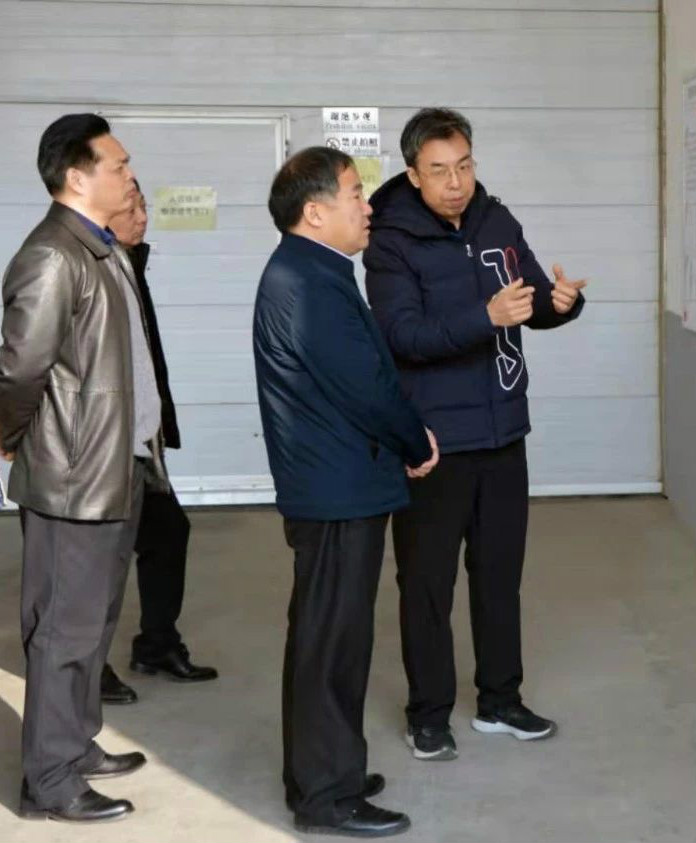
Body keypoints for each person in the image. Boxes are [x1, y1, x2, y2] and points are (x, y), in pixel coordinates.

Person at [364, 107, 586, 761]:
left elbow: (530, 299)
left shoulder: (496, 220)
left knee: (499, 576)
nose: (456, 182)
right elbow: (402, 336)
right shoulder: (390, 241)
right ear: (413, 173)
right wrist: (484, 316)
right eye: (439, 171)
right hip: (434, 444)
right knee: (427, 585)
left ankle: (500, 700)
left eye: (464, 166)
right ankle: (428, 713)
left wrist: (561, 304)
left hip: (503, 431)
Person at [253, 146, 438, 837]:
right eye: (356, 194)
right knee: (331, 644)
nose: (368, 207)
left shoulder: (316, 271)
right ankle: (326, 795)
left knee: (330, 637)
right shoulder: (307, 283)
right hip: (335, 490)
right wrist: (415, 442)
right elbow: (365, 386)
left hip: (339, 482)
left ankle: (323, 772)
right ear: (314, 211)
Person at [0, 113, 165, 821]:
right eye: (118, 165)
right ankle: (49, 780)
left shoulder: (102, 248)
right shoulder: (52, 256)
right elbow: (18, 369)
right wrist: (11, 436)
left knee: (92, 624)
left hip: (115, 467)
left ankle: (74, 743)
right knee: (63, 632)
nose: (130, 175)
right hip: (74, 476)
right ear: (76, 176)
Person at [100, 183, 218, 706]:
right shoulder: (92, 269)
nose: (142, 218)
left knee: (168, 531)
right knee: (101, 556)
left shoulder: (130, 265)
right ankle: (87, 666)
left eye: (144, 207)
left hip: (140, 440)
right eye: (131, 209)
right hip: (105, 444)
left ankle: (156, 644)